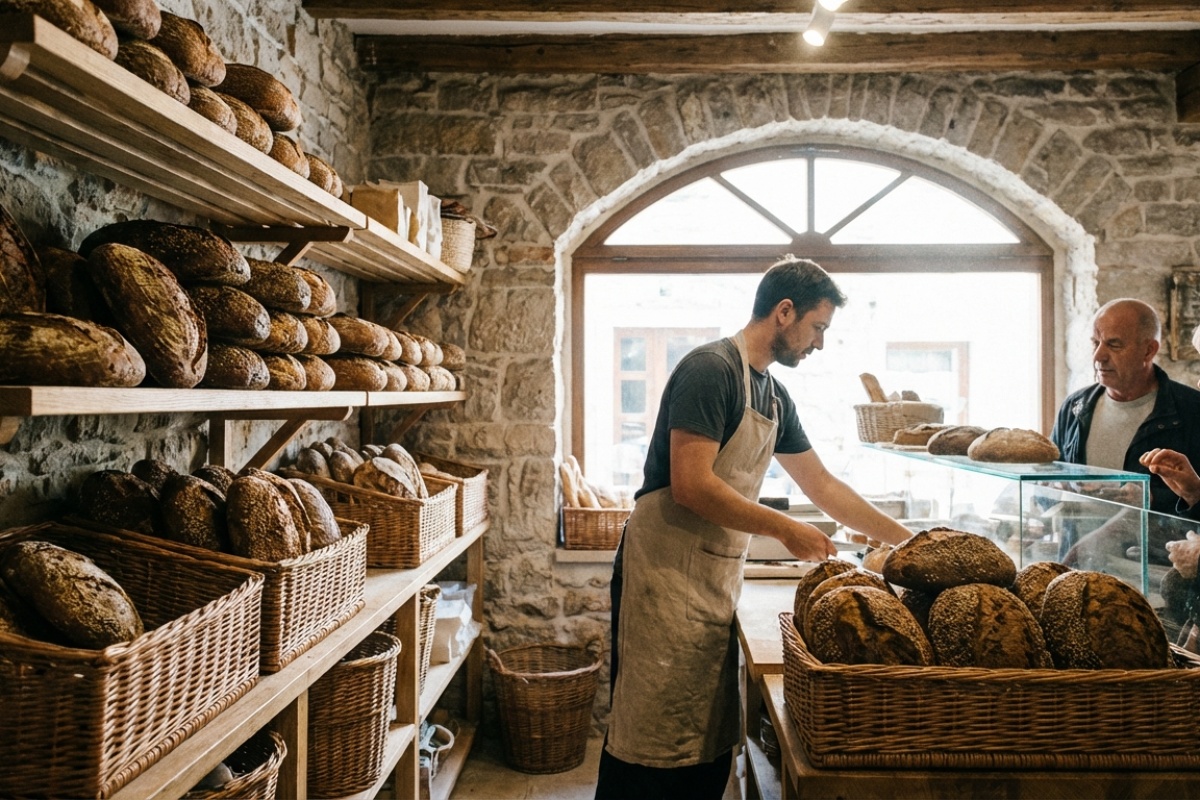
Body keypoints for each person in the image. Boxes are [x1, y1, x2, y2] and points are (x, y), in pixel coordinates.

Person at [595, 256, 913, 800]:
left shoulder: (773, 395)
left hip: (711, 578)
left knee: (700, 740)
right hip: (662, 577)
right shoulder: (710, 370)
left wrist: (912, 543)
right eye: (817, 327)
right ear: (784, 312)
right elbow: (691, 484)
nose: (819, 344)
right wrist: (786, 529)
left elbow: (823, 485)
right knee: (650, 741)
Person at [1050, 299, 1200, 565]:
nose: (1098, 356)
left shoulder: (1192, 410)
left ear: (1149, 350)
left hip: (1154, 572)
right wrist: (1055, 487)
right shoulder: (1075, 407)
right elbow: (1049, 485)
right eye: (1095, 343)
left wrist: (1151, 498)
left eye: (1114, 345)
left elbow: (1195, 501)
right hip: (1078, 563)